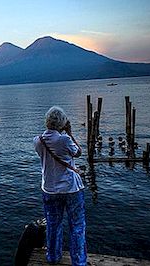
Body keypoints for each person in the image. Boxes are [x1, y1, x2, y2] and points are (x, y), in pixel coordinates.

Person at [33, 106, 87, 266]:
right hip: (71, 188)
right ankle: (79, 262)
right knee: (77, 225)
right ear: (62, 123)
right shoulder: (64, 139)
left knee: (53, 223)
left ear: (47, 121)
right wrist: (69, 132)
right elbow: (78, 153)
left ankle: (53, 257)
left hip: (49, 188)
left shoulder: (37, 141)